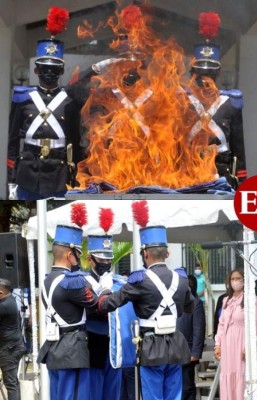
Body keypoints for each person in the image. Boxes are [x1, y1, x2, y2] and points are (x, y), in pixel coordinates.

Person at [98, 221, 194, 400]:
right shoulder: (181, 279)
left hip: (151, 347)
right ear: (167, 253)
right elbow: (189, 307)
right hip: (175, 345)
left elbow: (106, 305)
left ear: (145, 253)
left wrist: (104, 289)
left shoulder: (139, 280)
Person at [7, 7, 82, 200]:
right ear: (37, 70)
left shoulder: (70, 101)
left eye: (54, 70)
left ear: (61, 71)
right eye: (45, 68)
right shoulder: (22, 98)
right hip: (27, 172)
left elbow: (75, 138)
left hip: (59, 174)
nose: (49, 73)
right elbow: (13, 140)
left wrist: (78, 174)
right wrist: (11, 178)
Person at [37, 224, 99, 400]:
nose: (78, 259)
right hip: (72, 350)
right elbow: (95, 302)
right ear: (70, 255)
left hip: (54, 347)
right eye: (77, 255)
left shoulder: (47, 281)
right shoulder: (72, 282)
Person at [188, 12, 247, 187]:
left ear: (218, 73)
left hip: (221, 171)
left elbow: (238, 145)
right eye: (201, 72)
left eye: (210, 73)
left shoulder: (231, 102)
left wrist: (242, 180)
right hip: (188, 170)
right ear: (193, 73)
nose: (206, 77)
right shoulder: (182, 101)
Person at [213, 269, 257, 400]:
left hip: (243, 344)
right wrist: (217, 344)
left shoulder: (252, 299)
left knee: (244, 375)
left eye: (238, 278)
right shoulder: (226, 300)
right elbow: (221, 324)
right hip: (227, 344)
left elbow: (256, 327)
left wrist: (249, 347)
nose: (235, 281)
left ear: (244, 280)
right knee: (228, 375)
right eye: (232, 279)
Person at [83, 232, 122, 400]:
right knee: (93, 392)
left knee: (113, 393)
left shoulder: (118, 282)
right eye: (101, 260)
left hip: (115, 345)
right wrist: (105, 291)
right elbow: (93, 309)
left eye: (108, 260)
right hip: (93, 342)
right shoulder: (82, 281)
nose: (106, 264)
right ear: (90, 259)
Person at [177, 275, 206, 400]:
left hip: (188, 352)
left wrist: (195, 352)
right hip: (171, 352)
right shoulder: (171, 302)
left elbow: (198, 329)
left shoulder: (196, 303)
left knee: (187, 387)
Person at [0, 279, 26, 400]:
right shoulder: (9, 299)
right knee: (12, 382)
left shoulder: (4, 305)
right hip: (12, 346)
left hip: (9, 349)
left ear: (0, 293)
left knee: (10, 384)